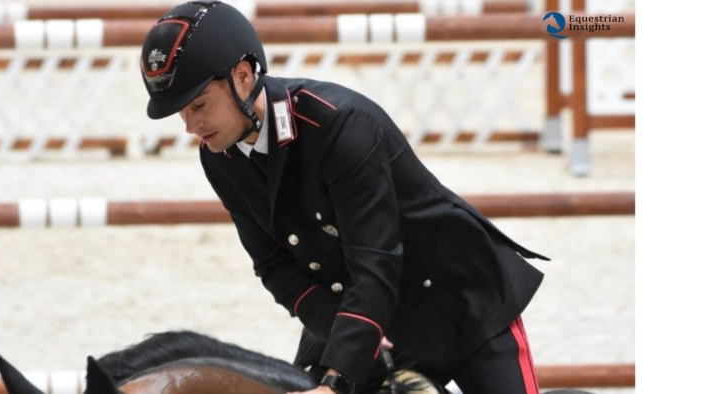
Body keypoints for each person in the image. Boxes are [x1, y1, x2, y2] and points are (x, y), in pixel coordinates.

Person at [139, 2, 549, 394]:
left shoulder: (339, 124)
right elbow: (273, 265)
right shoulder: (219, 157)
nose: (192, 125)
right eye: (181, 113)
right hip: (356, 311)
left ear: (243, 77)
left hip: (458, 301)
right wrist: (341, 334)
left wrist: (338, 381)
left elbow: (376, 259)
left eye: (199, 105)